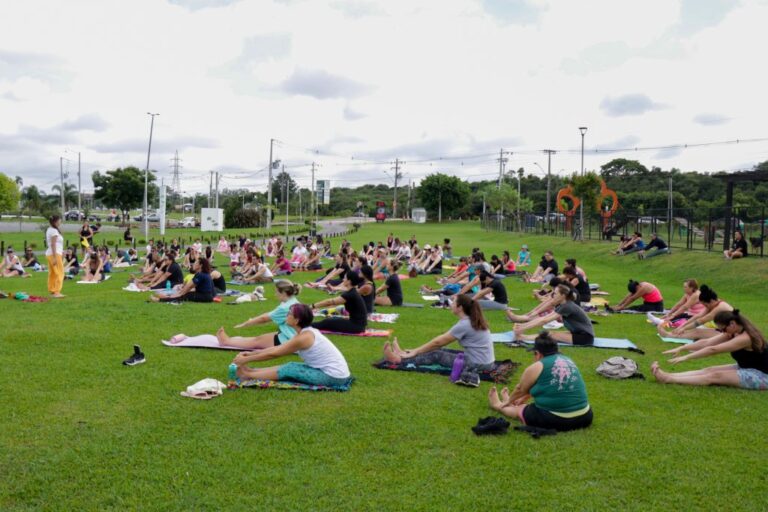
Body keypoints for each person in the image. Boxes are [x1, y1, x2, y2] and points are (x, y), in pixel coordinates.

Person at [488, 331, 592, 431]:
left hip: (557, 420)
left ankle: (498, 405)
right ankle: (512, 402)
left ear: (537, 353)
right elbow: (548, 386)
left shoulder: (537, 366)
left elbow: (520, 389)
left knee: (522, 409)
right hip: (585, 416)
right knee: (525, 405)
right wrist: (523, 398)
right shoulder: (568, 360)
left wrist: (508, 402)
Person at [382, 294, 495, 387]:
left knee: (436, 354)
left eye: (453, 302)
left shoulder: (465, 324)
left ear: (460, 307)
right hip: (485, 362)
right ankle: (403, 354)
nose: (451, 304)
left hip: (477, 364)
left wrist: (416, 351)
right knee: (442, 350)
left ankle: (399, 360)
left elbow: (438, 343)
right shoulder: (471, 320)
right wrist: (416, 350)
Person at [230, 304, 352, 387]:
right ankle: (251, 371)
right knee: (292, 365)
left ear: (296, 320)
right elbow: (278, 348)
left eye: (289, 314)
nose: (286, 315)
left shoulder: (304, 337)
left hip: (334, 377)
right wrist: (251, 354)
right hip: (332, 373)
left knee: (290, 369)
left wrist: (246, 359)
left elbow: (274, 354)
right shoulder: (304, 333)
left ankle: (247, 375)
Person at [653, 310, 768, 390]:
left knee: (715, 376)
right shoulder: (733, 332)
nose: (722, 332)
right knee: (709, 369)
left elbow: (713, 349)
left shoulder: (746, 338)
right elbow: (707, 342)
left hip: (763, 376)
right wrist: (682, 348)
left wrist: (686, 357)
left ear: (732, 324)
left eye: (723, 329)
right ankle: (669, 375)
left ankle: (668, 379)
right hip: (747, 368)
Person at [201, 281, 303, 349]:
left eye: (276, 292)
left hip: (289, 340)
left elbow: (264, 318)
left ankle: (226, 342)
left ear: (284, 293)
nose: (275, 294)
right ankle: (229, 340)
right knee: (258, 338)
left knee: (256, 342)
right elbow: (269, 315)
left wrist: (246, 324)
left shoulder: (285, 307)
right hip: (290, 336)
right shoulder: (292, 301)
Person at [514, 284, 595, 345]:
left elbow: (544, 321)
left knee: (551, 335)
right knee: (549, 333)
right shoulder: (563, 305)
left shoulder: (567, 306)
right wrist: (523, 325)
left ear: (563, 296)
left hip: (585, 338)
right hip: (578, 333)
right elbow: (544, 318)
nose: (552, 295)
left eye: (555, 293)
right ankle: (522, 336)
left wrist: (523, 327)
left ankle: (522, 337)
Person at [657, 285, 733, 340]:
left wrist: (684, 328)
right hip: (724, 330)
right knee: (693, 329)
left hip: (732, 334)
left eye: (705, 305)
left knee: (698, 332)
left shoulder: (720, 307)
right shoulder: (713, 304)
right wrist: (682, 326)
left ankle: (668, 336)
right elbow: (697, 316)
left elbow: (701, 321)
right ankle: (671, 334)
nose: (705, 307)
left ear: (711, 301)